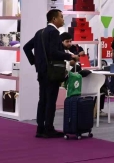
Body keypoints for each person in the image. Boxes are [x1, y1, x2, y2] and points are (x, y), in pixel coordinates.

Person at [23, 9, 77, 138]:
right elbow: (54, 52)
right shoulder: (54, 32)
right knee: (51, 100)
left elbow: (26, 47)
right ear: (54, 19)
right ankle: (49, 128)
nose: (63, 19)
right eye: (61, 17)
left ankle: (40, 128)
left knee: (42, 100)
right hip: (52, 72)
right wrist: (70, 56)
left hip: (41, 71)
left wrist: (36, 62)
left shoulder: (40, 32)